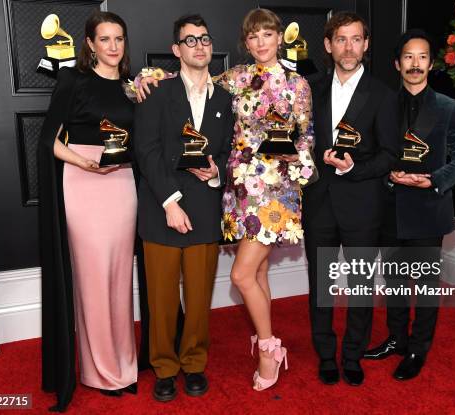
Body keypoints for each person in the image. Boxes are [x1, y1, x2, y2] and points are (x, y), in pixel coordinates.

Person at [135, 8, 315, 391]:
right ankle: (264, 345)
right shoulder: (236, 78)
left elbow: (307, 141)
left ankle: (269, 350)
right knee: (260, 273)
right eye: (253, 36)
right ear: (246, 43)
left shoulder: (298, 85)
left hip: (275, 193)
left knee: (240, 275)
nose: (261, 42)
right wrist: (147, 78)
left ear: (280, 37)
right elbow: (192, 78)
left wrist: (295, 156)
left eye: (268, 34)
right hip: (238, 192)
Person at [37, 11, 138, 412]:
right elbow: (50, 140)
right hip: (84, 182)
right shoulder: (73, 81)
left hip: (122, 183)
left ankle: (125, 365)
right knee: (94, 278)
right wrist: (84, 163)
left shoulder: (133, 88)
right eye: (105, 39)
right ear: (90, 44)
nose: (113, 46)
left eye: (119, 39)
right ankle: (99, 372)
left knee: (118, 276)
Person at [362, 29, 455, 380]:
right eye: (408, 57)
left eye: (422, 57)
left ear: (431, 63)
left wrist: (434, 179)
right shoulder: (380, 104)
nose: (415, 64)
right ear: (397, 63)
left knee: (424, 286)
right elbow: (372, 154)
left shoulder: (448, 107)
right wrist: (385, 176)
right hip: (390, 207)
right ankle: (396, 338)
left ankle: (417, 348)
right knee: (394, 283)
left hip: (428, 208)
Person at [133, 14, 233, 402]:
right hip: (162, 210)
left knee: (198, 297)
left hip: (205, 210)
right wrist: (171, 203)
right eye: (189, 41)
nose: (198, 46)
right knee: (160, 299)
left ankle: (193, 363)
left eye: (204, 39)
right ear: (176, 50)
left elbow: (227, 153)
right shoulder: (155, 92)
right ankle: (164, 367)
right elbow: (147, 150)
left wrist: (214, 171)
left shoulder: (225, 99)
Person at [303, 11, 400, 387]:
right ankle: (326, 354)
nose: (349, 47)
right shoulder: (309, 89)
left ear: (366, 44)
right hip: (320, 202)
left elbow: (390, 154)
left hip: (363, 203)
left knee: (360, 284)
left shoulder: (383, 95)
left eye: (356, 39)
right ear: (328, 45)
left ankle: (352, 354)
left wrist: (350, 169)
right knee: (321, 284)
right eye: (341, 39)